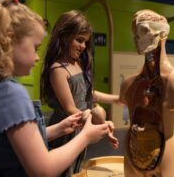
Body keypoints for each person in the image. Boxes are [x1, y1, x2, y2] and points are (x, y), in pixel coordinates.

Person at [0, 0, 111, 177]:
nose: (37, 57)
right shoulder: (9, 94)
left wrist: (58, 129)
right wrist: (86, 137)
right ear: (9, 41)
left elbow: (13, 141)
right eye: (35, 48)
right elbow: (42, 169)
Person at [40, 10, 119, 176]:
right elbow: (70, 109)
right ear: (64, 36)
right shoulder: (58, 69)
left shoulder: (78, 65)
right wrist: (100, 122)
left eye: (85, 42)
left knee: (77, 169)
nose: (83, 46)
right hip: (65, 131)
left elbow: (89, 95)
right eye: (79, 40)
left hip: (81, 127)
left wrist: (117, 99)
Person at [119, 9, 174, 177]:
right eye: (135, 33)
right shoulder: (129, 84)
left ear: (160, 33)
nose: (136, 38)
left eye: (143, 31)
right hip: (132, 152)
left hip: (166, 155)